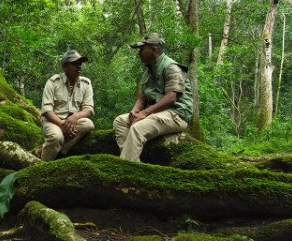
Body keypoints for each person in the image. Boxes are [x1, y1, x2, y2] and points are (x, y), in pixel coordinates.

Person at [113, 33, 193, 162]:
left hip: (176, 114)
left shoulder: (171, 67)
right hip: (156, 113)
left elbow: (171, 98)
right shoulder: (148, 71)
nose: (139, 53)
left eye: (142, 49)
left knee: (138, 128)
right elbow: (142, 98)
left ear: (154, 50)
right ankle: (131, 161)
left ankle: (126, 167)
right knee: (120, 121)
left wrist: (145, 113)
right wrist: (135, 111)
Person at [37, 50, 95, 161]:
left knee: (88, 124)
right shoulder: (53, 82)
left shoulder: (86, 83)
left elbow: (89, 109)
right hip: (53, 121)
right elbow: (46, 110)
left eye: (80, 64)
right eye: (74, 64)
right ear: (64, 67)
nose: (78, 67)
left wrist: (75, 117)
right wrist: (62, 125)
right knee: (56, 137)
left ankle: (53, 151)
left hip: (73, 122)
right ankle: (43, 165)